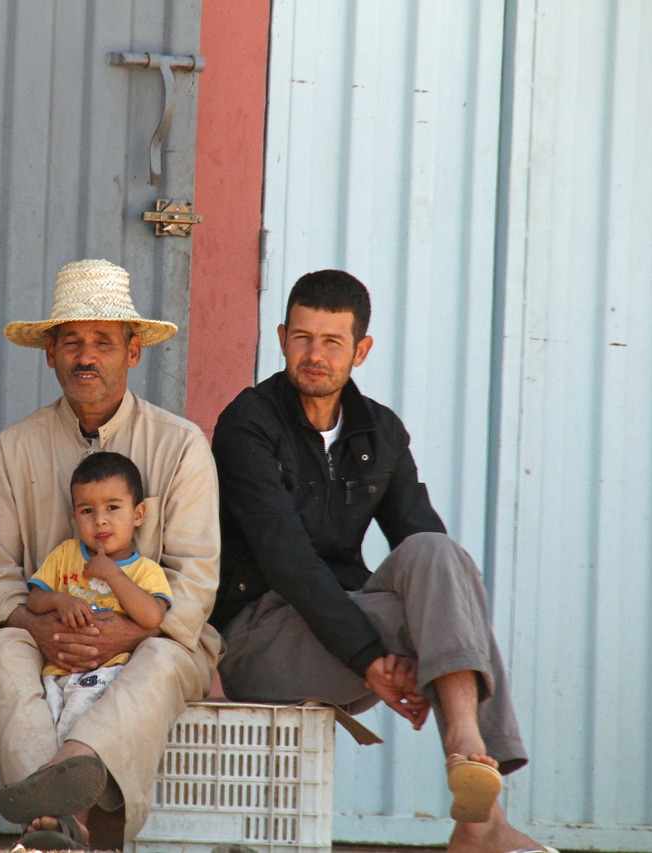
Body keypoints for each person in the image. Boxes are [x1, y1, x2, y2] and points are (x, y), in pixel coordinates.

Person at [210, 270, 555, 853]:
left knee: (440, 557)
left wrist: (395, 643)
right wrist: (373, 658)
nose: (314, 355)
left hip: (343, 624)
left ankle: (466, 751)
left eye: (332, 341)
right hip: (260, 635)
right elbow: (288, 562)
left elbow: (431, 550)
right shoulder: (247, 424)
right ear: (281, 337)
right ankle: (482, 823)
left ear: (361, 350)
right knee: (449, 622)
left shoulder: (381, 431)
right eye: (302, 338)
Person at [0, 258, 221, 851]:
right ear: (49, 351)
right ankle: (52, 821)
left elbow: (195, 583)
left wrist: (123, 633)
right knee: (5, 647)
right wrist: (36, 623)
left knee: (158, 660)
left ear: (132, 353)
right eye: (71, 342)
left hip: (153, 638)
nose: (86, 357)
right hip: (44, 630)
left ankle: (60, 790)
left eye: (103, 342)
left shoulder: (179, 446)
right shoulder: (15, 447)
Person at [26, 451, 172, 742]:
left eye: (113, 507)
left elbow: (153, 617)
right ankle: (52, 776)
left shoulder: (145, 570)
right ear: (75, 517)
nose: (100, 521)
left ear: (138, 514)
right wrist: (59, 600)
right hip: (55, 672)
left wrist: (112, 574)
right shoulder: (65, 554)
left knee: (76, 730)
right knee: (41, 732)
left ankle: (66, 774)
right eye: (87, 511)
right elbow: (33, 601)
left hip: (105, 674)